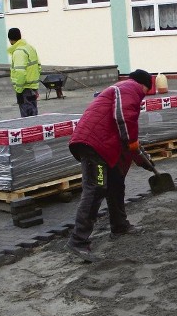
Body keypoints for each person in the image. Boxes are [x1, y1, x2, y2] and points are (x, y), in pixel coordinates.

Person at [65, 69, 154, 263]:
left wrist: (139, 156)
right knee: (96, 188)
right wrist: (133, 144)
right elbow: (124, 117)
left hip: (101, 145)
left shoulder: (120, 88)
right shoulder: (131, 88)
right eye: (146, 91)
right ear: (144, 85)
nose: (144, 96)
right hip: (93, 145)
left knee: (116, 181)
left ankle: (119, 225)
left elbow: (125, 140)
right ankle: (78, 240)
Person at [7, 28, 41, 117]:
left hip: (24, 88)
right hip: (33, 87)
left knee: (27, 118)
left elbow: (20, 72)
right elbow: (39, 66)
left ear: (10, 39)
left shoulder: (18, 52)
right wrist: (35, 84)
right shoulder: (30, 48)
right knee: (34, 115)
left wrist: (19, 89)